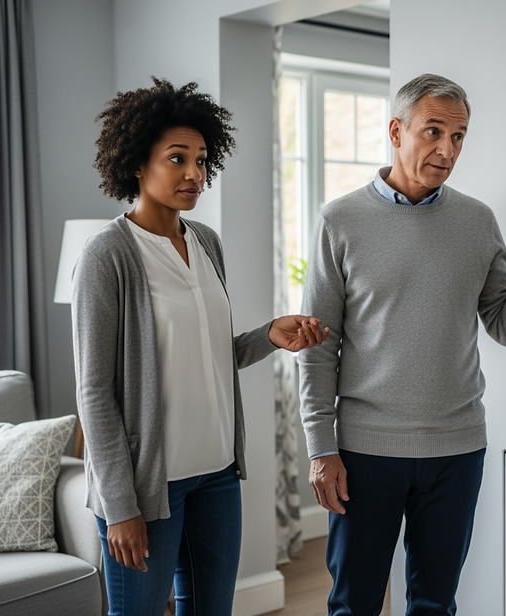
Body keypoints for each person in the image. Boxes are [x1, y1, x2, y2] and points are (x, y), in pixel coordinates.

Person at [298, 73, 506, 615]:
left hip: (456, 450)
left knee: (436, 604)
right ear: (396, 130)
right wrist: (322, 447)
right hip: (365, 452)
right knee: (353, 604)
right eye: (433, 132)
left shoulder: (477, 221)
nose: (447, 149)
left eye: (458, 137)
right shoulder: (338, 220)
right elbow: (318, 346)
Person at [73, 77, 329, 616]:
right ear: (137, 163)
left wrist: (268, 336)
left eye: (202, 159)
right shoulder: (106, 256)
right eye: (177, 158)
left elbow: (211, 353)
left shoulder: (206, 241)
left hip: (215, 474)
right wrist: (120, 506)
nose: (195, 173)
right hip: (148, 487)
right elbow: (95, 391)